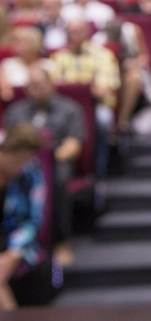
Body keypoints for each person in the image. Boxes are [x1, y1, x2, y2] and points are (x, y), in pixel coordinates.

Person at [4, 67, 85, 267]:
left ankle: (60, 241)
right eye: (31, 86)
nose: (36, 89)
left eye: (40, 84)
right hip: (18, 164)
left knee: (58, 179)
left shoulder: (70, 108)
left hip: (55, 161)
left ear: (51, 84)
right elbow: (7, 144)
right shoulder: (16, 111)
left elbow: (74, 143)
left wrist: (46, 162)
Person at [48, 19, 120, 178]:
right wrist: (85, 87)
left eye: (80, 30)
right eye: (72, 31)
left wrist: (75, 89)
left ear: (88, 32)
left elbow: (105, 89)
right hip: (63, 106)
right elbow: (52, 87)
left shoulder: (103, 55)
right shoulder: (57, 57)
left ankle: (98, 170)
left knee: (103, 120)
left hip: (96, 106)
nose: (76, 35)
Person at [0, 124, 47, 311]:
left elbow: (33, 222)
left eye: (26, 159)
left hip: (14, 241)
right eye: (17, 159)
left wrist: (14, 253)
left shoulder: (31, 172)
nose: (20, 166)